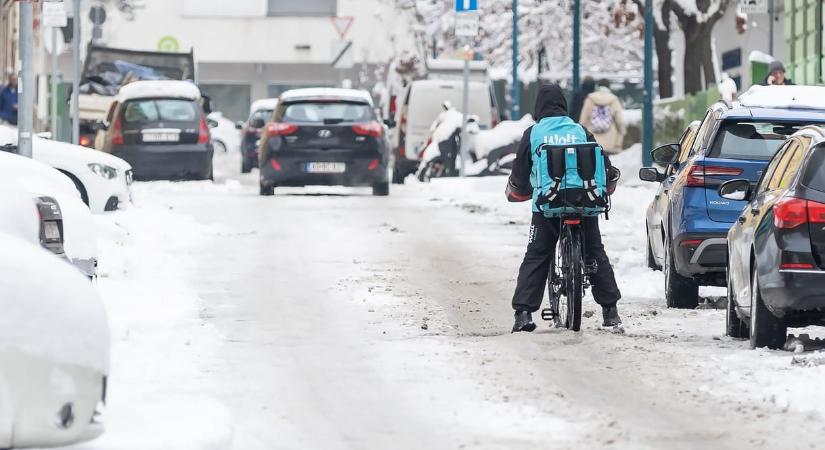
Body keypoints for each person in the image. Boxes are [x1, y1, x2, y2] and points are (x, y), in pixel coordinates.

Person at [506, 83, 622, 333]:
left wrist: (518, 190)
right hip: (585, 202)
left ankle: (523, 314)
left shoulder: (534, 132)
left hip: (547, 205)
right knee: (594, 250)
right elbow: (604, 165)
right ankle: (610, 310)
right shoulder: (579, 130)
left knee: (537, 254)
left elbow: (519, 174)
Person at [579, 79, 626, 154]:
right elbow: (619, 121)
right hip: (610, 140)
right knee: (608, 163)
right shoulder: (614, 100)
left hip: (592, 140)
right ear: (609, 87)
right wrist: (621, 134)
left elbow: (583, 120)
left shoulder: (590, 99)